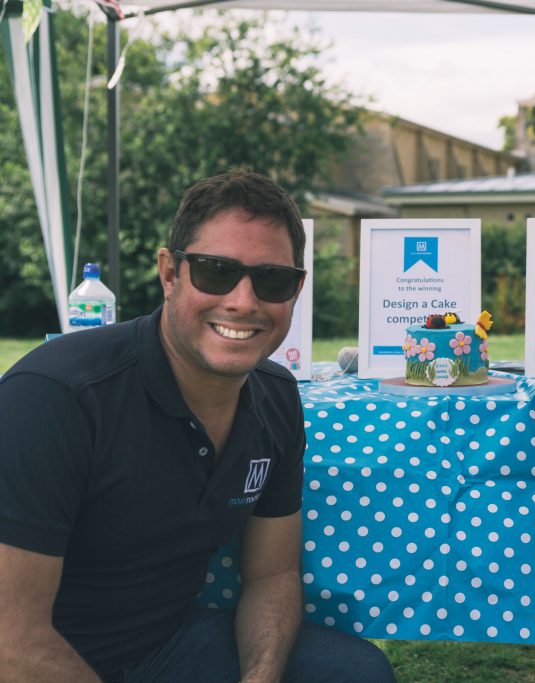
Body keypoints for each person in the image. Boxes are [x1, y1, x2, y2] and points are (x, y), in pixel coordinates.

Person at [0, 170, 396, 683]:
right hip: (42, 658)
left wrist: (260, 677)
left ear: (296, 290)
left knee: (356, 674)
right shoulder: (57, 396)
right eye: (216, 271)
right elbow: (11, 639)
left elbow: (272, 574)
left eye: (272, 279)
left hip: (163, 646)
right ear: (170, 274)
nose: (243, 301)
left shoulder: (276, 398)